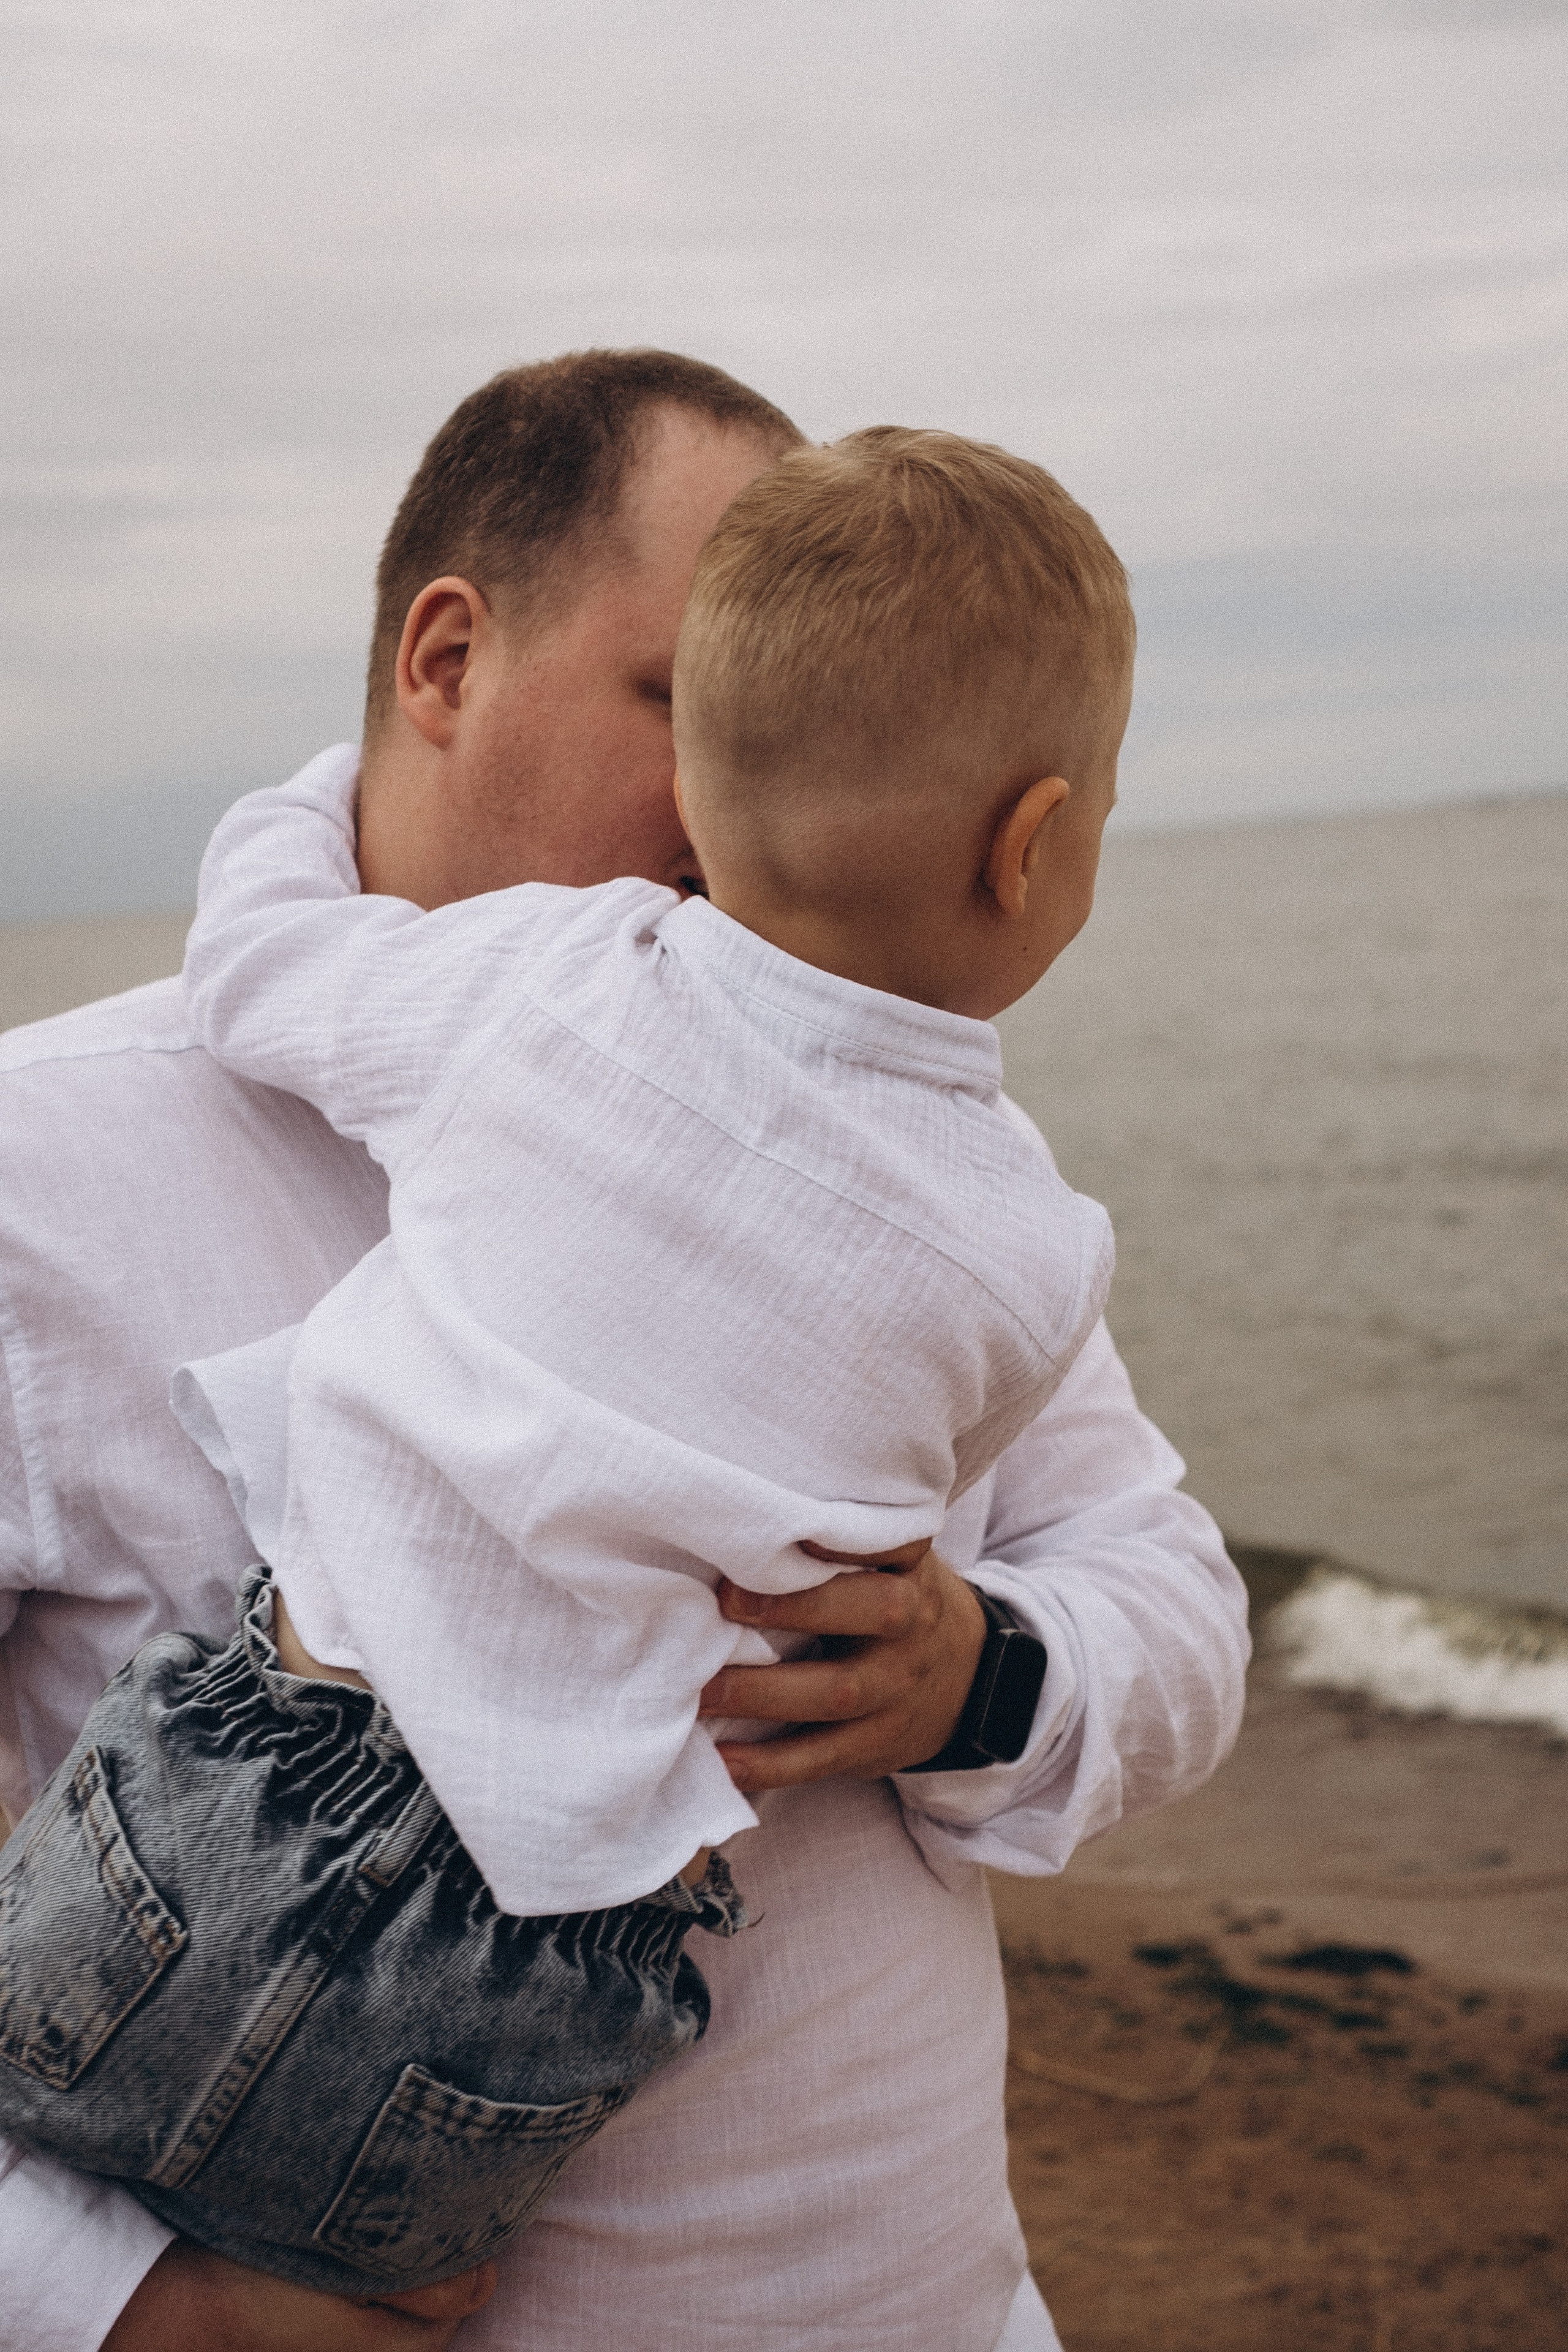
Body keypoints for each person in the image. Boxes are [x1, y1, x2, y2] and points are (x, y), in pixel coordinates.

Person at [0, 351, 1250, 2352]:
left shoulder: (895, 1182)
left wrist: (980, 1676)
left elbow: (1172, 1607)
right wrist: (129, 2317)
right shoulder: (39, 1170)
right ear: (443, 660)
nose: (757, 792)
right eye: (693, 701)